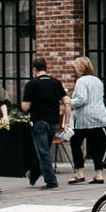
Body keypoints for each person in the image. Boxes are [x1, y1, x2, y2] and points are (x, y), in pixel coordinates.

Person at [20, 56, 66, 188]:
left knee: (43, 152)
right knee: (42, 149)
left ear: (34, 69)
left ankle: (51, 181)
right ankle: (33, 175)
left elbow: (25, 106)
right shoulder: (55, 82)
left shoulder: (31, 84)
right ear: (46, 68)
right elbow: (66, 101)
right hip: (53, 122)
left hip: (39, 121)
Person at [66, 55, 106, 184]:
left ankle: (79, 173)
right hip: (98, 116)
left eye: (75, 67)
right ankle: (99, 174)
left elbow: (81, 99)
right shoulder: (97, 80)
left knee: (75, 143)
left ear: (79, 68)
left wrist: (69, 101)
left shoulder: (81, 81)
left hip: (85, 118)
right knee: (96, 146)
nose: (74, 70)